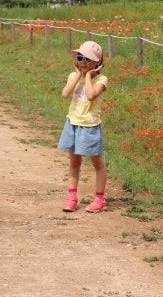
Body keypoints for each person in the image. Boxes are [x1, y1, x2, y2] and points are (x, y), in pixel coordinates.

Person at [58, 40, 109, 213]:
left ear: (98, 63)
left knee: (97, 163)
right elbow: (65, 94)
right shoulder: (73, 77)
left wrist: (88, 76)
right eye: (80, 57)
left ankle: (99, 198)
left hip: (90, 126)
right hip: (73, 123)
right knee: (74, 162)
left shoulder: (101, 80)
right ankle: (71, 197)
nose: (82, 62)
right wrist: (79, 75)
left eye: (87, 59)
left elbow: (91, 95)